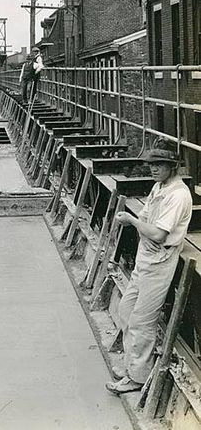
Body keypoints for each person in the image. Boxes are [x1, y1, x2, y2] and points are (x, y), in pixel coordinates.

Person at [106, 138, 193, 395]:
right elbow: (147, 220)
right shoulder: (159, 188)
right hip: (145, 259)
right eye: (151, 164)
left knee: (143, 322)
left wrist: (131, 221)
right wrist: (136, 221)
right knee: (126, 309)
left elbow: (157, 234)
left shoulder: (178, 195)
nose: (153, 168)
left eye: (159, 164)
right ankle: (131, 366)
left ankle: (138, 378)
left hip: (160, 261)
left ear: (172, 166)